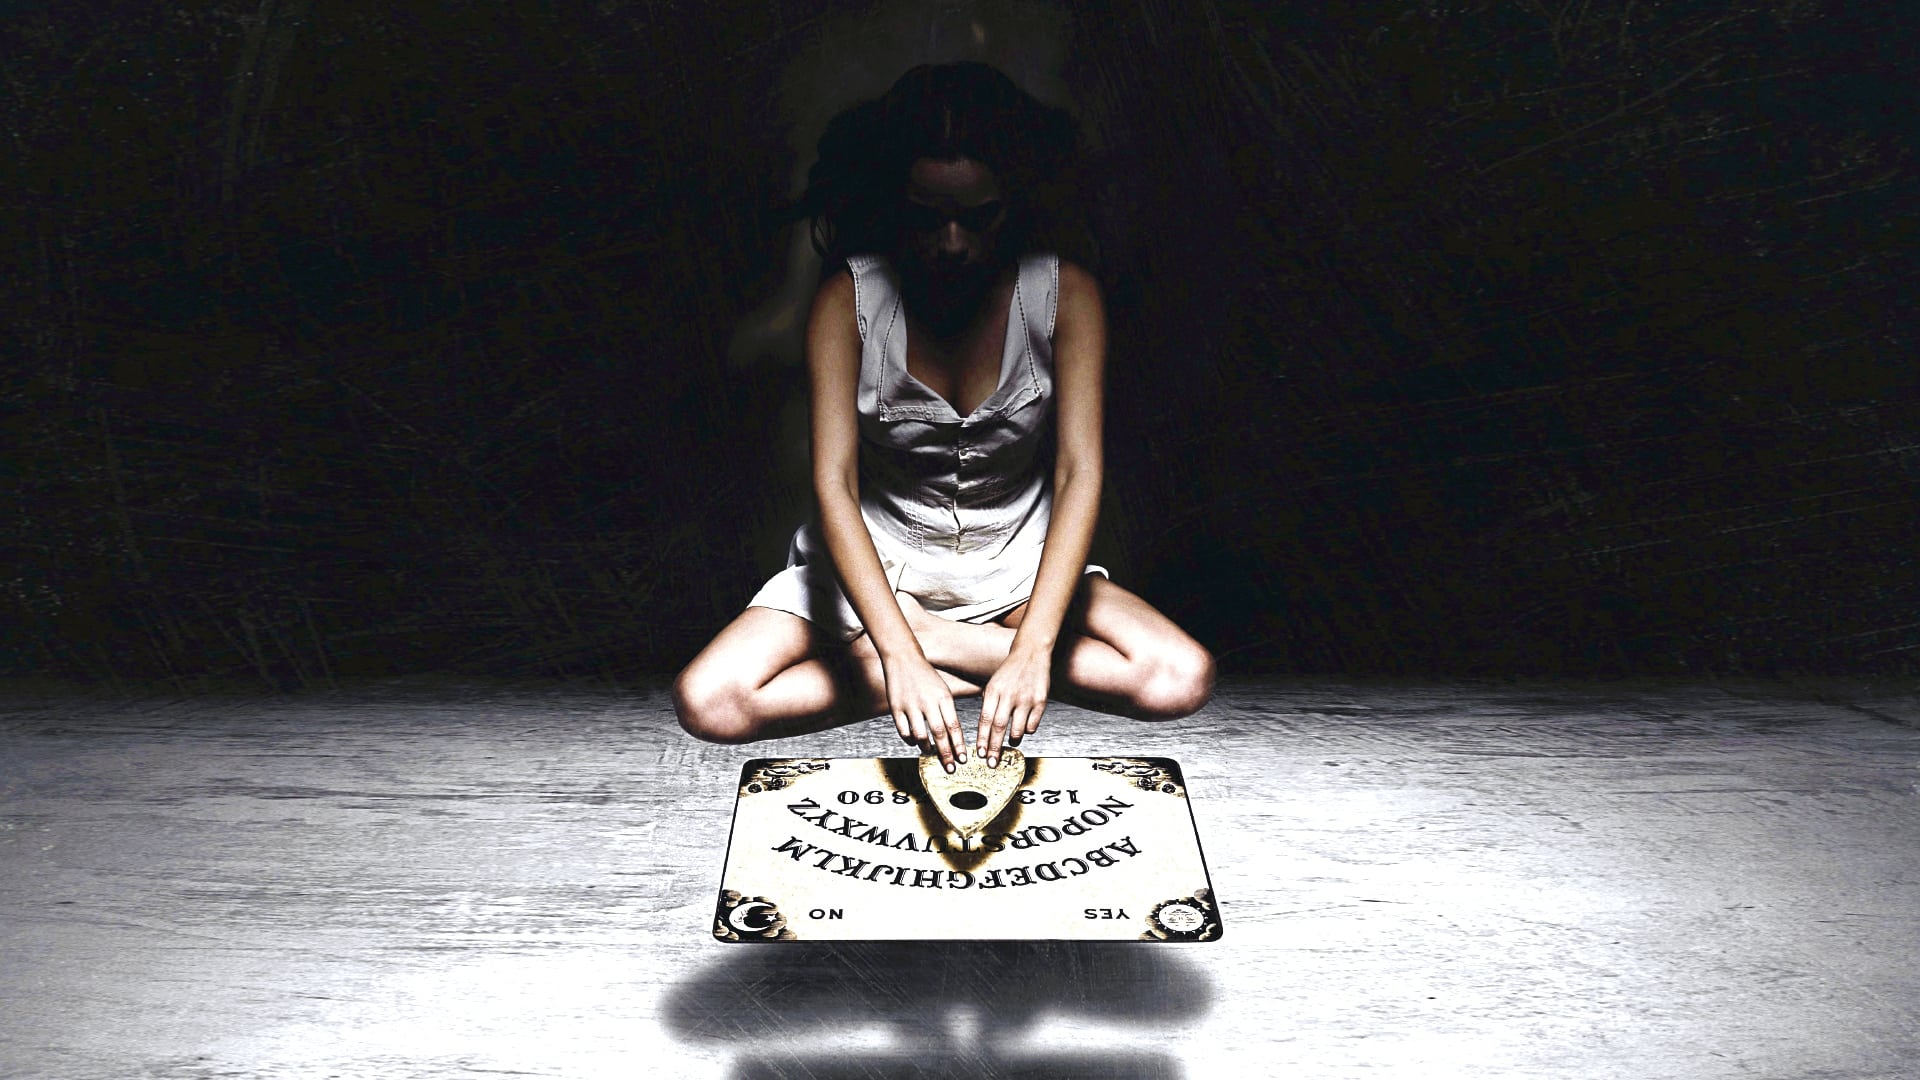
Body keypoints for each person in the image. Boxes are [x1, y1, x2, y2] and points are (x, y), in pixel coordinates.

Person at [675, 62, 1212, 772]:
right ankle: (946, 662)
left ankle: (952, 650)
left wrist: (1033, 649)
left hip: (1020, 568)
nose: (953, 242)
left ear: (1014, 200)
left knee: (1180, 677)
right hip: (876, 569)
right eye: (927, 218)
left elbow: (1079, 473)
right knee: (711, 700)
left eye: (978, 216)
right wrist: (897, 653)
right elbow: (834, 484)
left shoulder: (1067, 295)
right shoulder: (847, 300)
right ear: (893, 203)